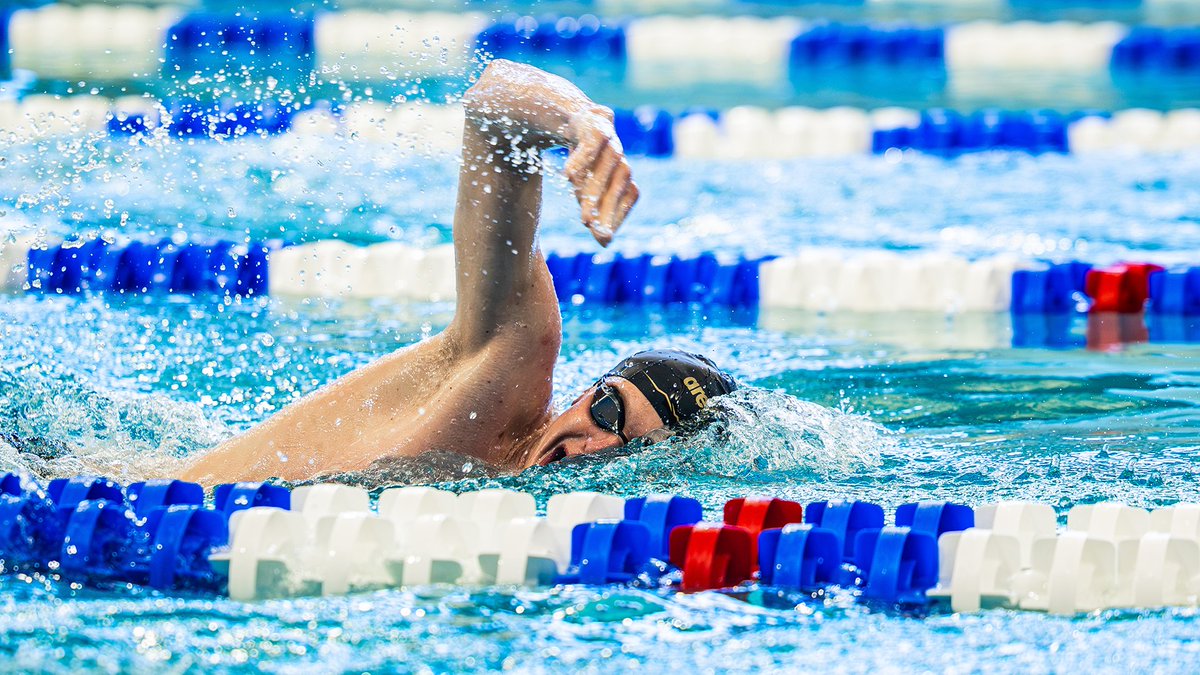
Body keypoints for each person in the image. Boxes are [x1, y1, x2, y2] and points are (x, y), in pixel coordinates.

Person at [182, 60, 737, 485]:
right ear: (586, 392)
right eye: (609, 409)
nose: (597, 445)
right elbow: (492, 102)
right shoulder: (505, 373)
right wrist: (583, 120)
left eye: (630, 446)